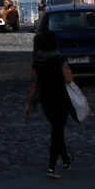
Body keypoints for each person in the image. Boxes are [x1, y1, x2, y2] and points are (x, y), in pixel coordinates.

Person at [23, 31, 76, 179]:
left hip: (46, 101)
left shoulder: (37, 62)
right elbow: (69, 79)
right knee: (57, 131)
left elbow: (33, 86)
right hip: (61, 99)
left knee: (57, 129)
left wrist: (28, 105)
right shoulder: (60, 60)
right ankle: (51, 168)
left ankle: (66, 160)